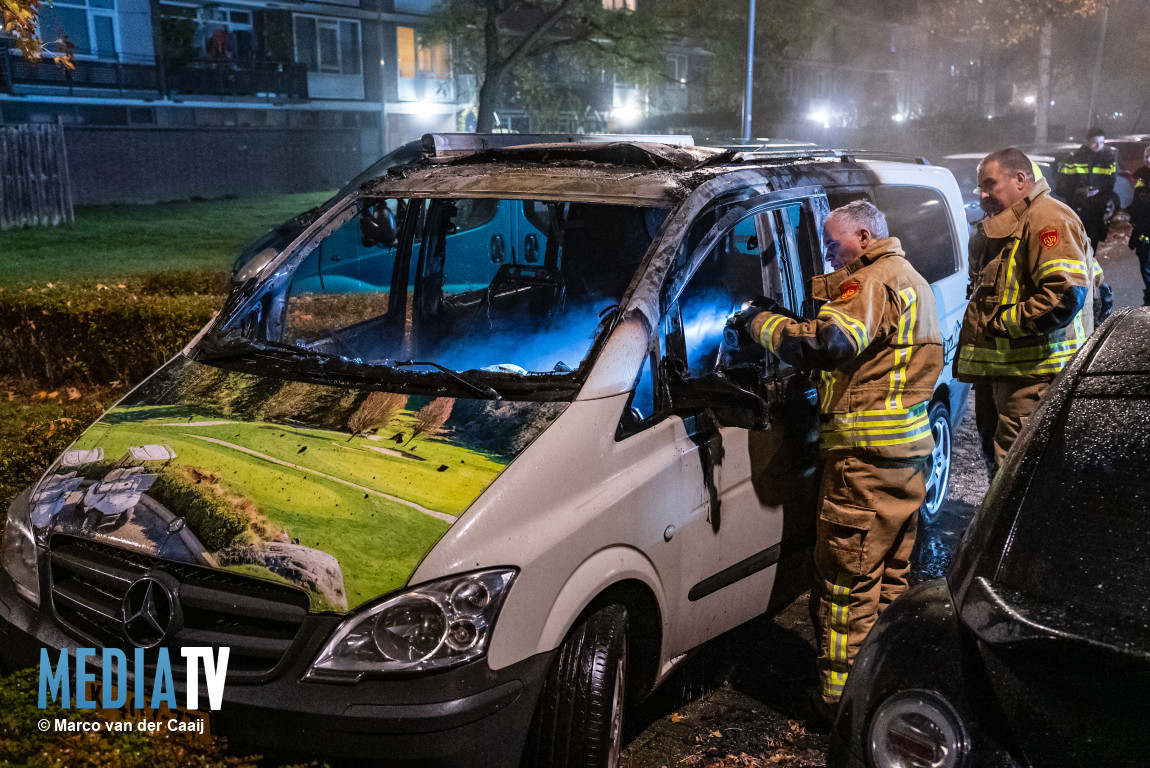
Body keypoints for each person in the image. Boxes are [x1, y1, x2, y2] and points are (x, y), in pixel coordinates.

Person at [726, 200, 943, 716]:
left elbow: (829, 344)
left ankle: (840, 706)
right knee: (889, 578)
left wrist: (758, 323)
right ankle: (883, 685)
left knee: (845, 585)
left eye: (833, 242)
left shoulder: (869, 280)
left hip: (863, 462)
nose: (827, 253)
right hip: (905, 456)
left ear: (865, 236)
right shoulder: (910, 277)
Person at [956, 148, 1105, 470]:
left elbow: (1064, 295)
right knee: (1004, 468)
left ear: (1021, 179)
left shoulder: (1047, 219)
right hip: (1008, 372)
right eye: (979, 187)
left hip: (1034, 376)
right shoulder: (1009, 223)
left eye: (990, 185)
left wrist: (1001, 325)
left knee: (1018, 472)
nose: (982, 195)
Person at [1056, 127, 1118, 251]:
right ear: (1087, 141)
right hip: (1077, 210)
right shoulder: (1072, 159)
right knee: (1075, 248)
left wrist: (1098, 190)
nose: (1098, 146)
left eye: (1101, 143)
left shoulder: (1108, 159)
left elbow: (1110, 183)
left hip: (1097, 210)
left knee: (1092, 247)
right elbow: (1061, 187)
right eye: (1094, 142)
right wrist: (1080, 191)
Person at [1128, 145, 1150, 305]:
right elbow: (1137, 203)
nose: (1148, 160)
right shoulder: (1141, 176)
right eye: (1146, 156)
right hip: (1143, 232)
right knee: (1146, 268)